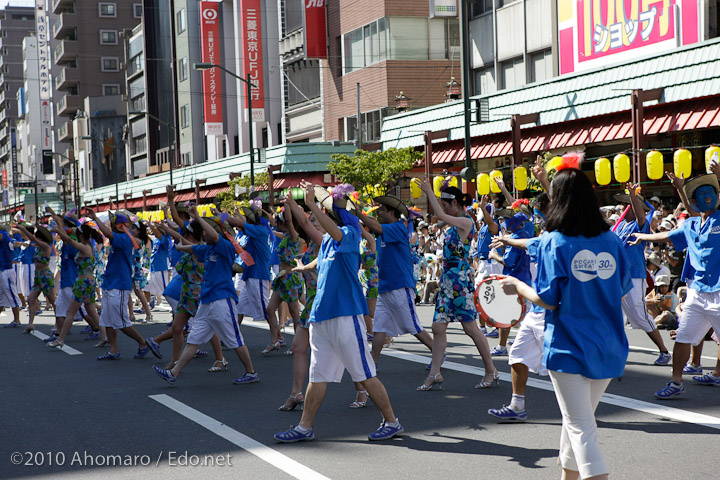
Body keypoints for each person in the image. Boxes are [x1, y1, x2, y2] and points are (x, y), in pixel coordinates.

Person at [500, 159, 632, 480]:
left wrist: (517, 285)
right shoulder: (612, 241)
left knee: (580, 425)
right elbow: (621, 291)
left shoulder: (553, 242)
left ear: (556, 200)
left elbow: (546, 299)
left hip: (568, 346)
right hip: (608, 345)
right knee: (576, 421)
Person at [274, 182, 403, 443]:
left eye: (324, 210)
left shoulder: (350, 234)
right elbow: (316, 246)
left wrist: (311, 204)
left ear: (335, 214)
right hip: (321, 316)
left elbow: (330, 231)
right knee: (317, 375)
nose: (318, 214)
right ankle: (304, 427)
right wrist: (302, 266)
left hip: (346, 315)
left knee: (365, 374)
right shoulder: (329, 242)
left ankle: (392, 422)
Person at [631, 174, 720, 399]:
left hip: (719, 291)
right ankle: (676, 381)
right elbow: (668, 235)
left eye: (711, 193)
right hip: (697, 292)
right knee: (682, 338)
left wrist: (718, 175)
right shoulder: (690, 225)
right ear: (694, 202)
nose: (708, 197)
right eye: (703, 195)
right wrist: (642, 236)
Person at [152, 207, 258, 385]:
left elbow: (213, 236)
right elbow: (191, 247)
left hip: (223, 300)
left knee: (235, 340)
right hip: (206, 302)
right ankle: (174, 373)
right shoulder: (208, 249)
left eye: (206, 232)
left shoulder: (225, 246)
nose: (204, 235)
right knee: (193, 339)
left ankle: (251, 372)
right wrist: (179, 245)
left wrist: (199, 218)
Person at [417, 180, 498, 391]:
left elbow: (442, 217)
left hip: (460, 279)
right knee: (437, 326)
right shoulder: (455, 223)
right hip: (448, 279)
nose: (443, 210)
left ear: (454, 204)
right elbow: (443, 218)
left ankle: (491, 370)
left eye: (445, 204)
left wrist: (429, 192)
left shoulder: (466, 222)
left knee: (470, 327)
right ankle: (435, 372)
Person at [86, 209, 159, 361]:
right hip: (110, 283)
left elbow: (108, 234)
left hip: (119, 285)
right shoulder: (123, 237)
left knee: (121, 322)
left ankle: (143, 343)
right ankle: (114, 351)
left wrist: (96, 220)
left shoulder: (124, 239)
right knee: (107, 321)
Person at [613, 184, 671, 365]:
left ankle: (664, 351)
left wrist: (634, 197)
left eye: (627, 204)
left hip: (634, 275)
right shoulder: (621, 225)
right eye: (623, 204)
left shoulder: (641, 225)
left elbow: (640, 216)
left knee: (640, 316)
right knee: (612, 314)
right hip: (616, 276)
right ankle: (614, 353)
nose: (623, 208)